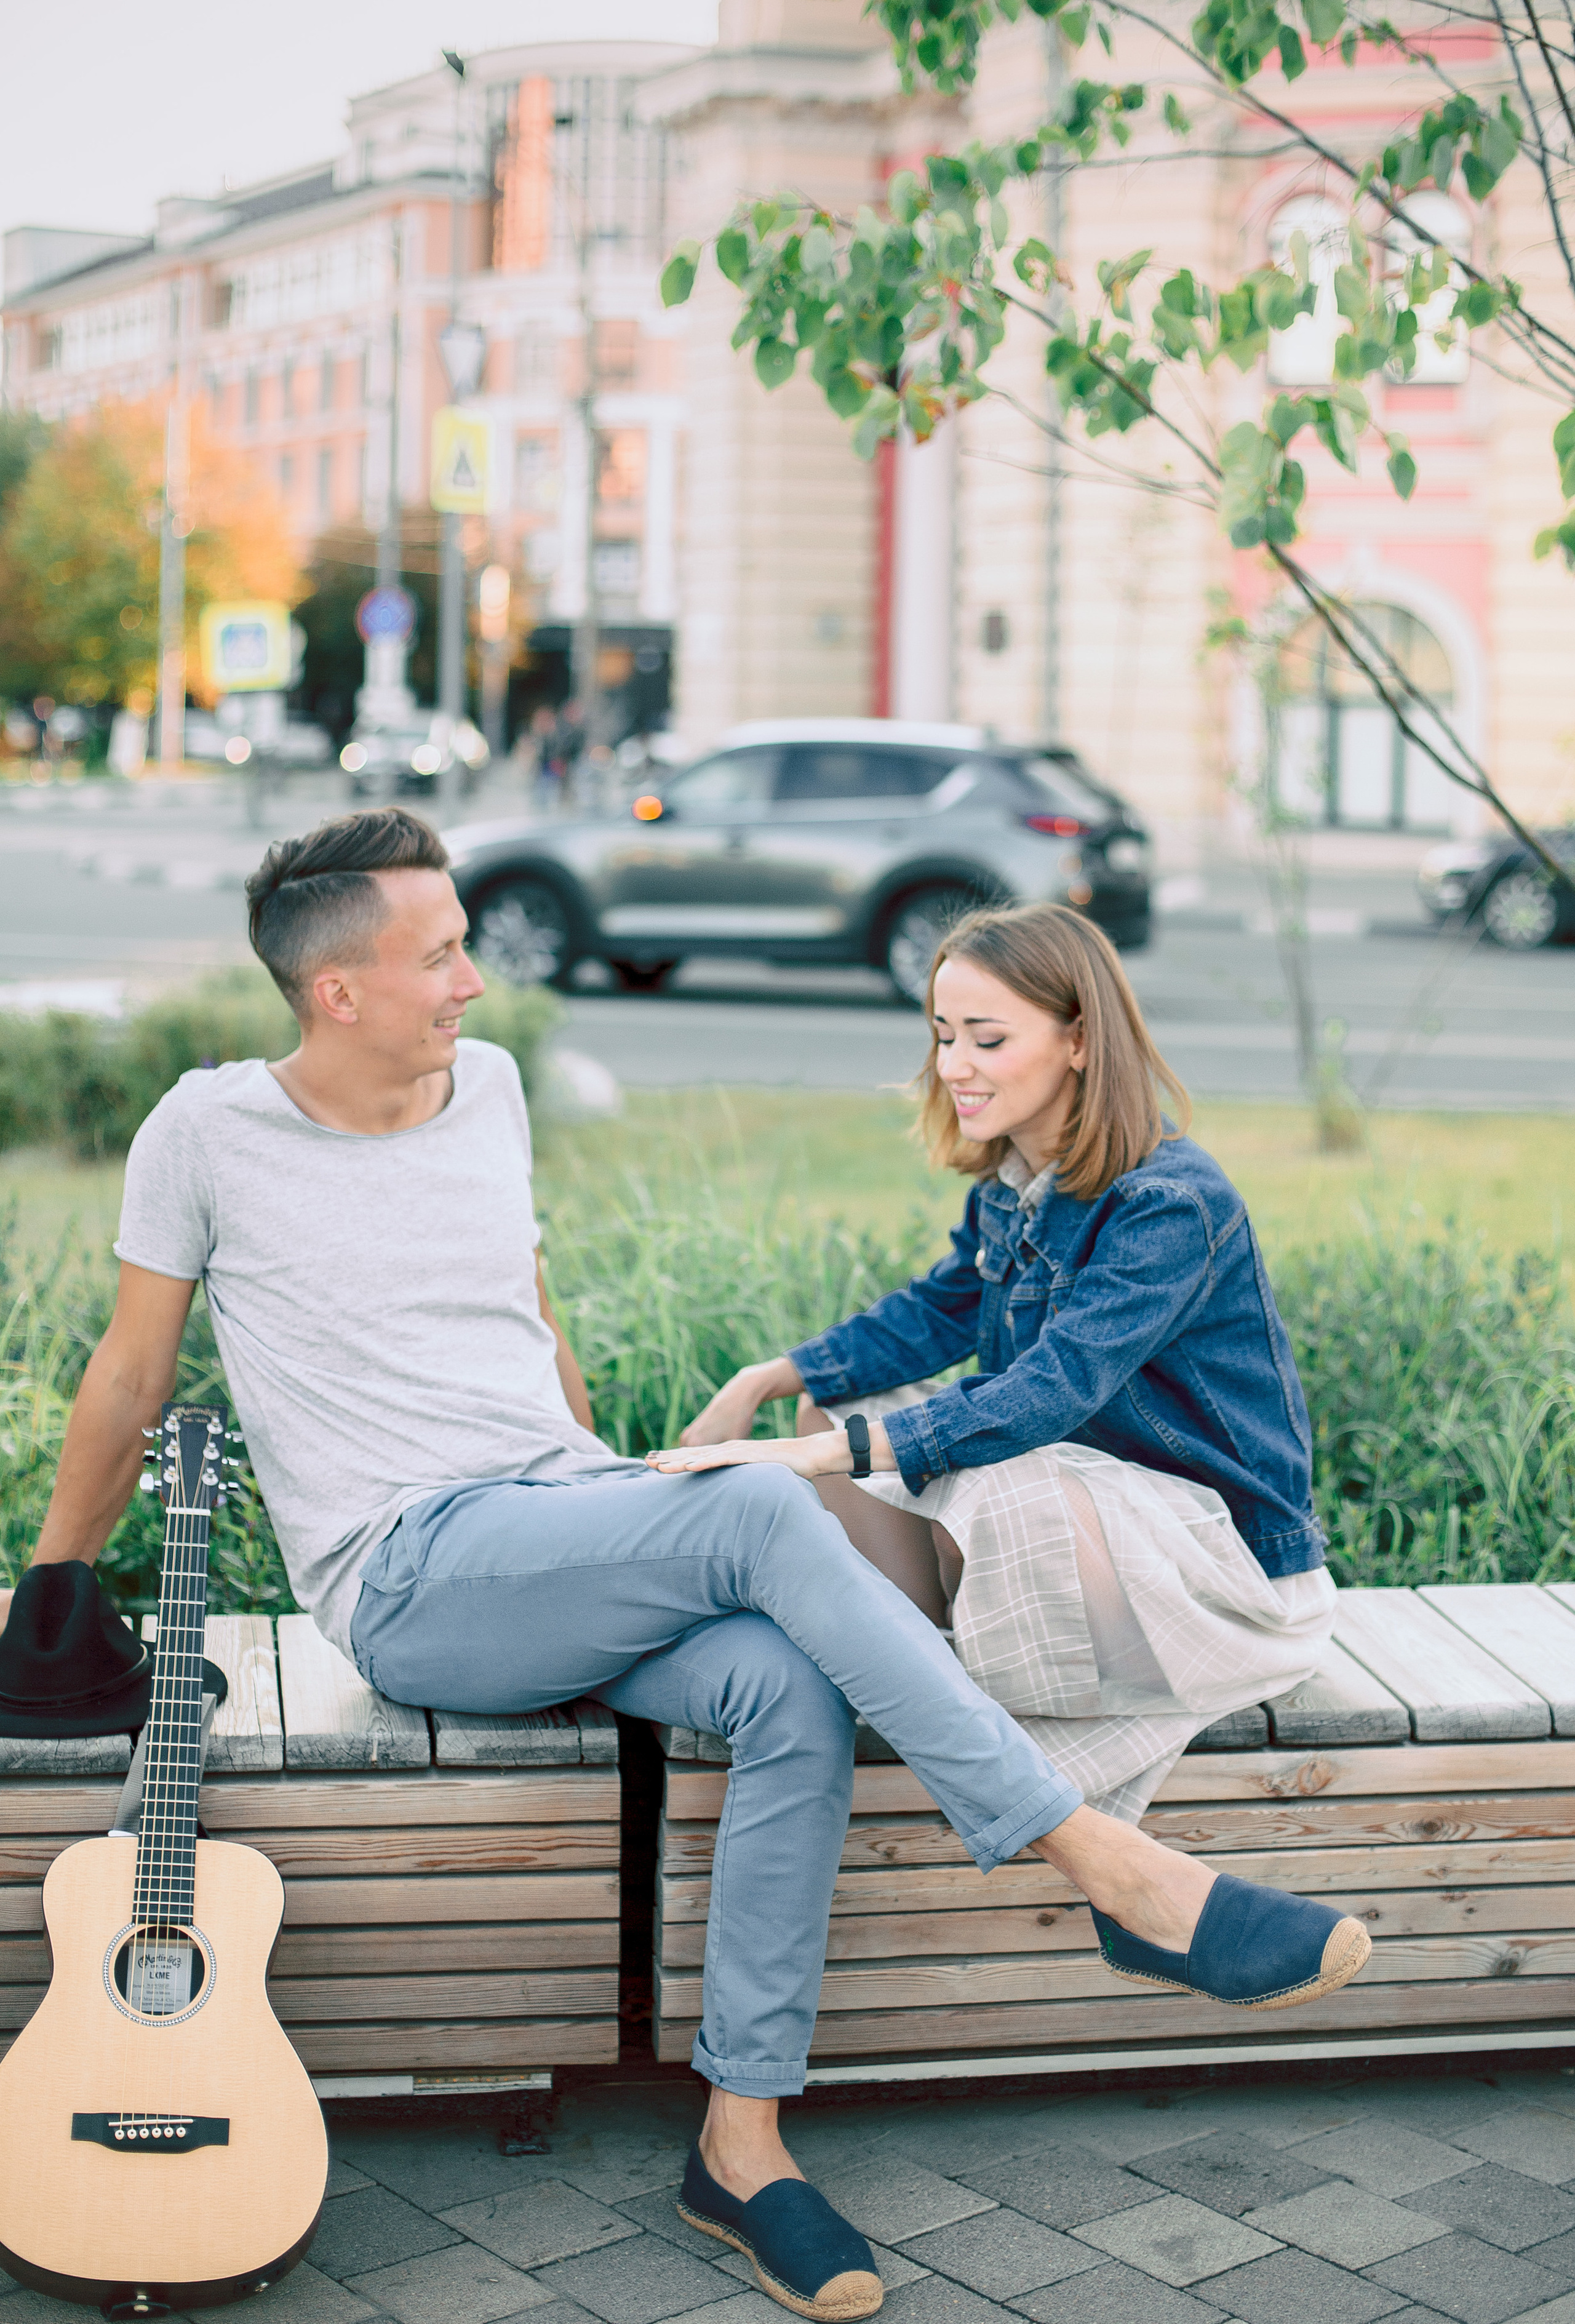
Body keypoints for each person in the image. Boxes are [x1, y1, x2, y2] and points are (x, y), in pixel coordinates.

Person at [26, 817, 1369, 2324]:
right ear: (337, 991)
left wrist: (607, 1499)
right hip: (407, 1572)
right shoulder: (206, 1134)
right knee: (758, 1510)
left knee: (786, 1679)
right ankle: (1102, 1865)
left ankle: (739, 2144)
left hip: (556, 1522)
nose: (479, 976)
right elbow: (131, 1377)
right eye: (443, 952)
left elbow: (527, 1327)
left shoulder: (493, 1089)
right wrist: (52, 1589)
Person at [671, 901, 1339, 1826]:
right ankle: (920, 1655)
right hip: (1099, 1527)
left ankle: (984, 1705)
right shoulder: (1017, 1187)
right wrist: (766, 1384)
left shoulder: (1171, 1205)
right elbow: (933, 1315)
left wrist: (821, 1460)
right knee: (840, 1402)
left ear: (1078, 1040)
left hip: (1224, 1574)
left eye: (986, 1038)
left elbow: (1048, 1392)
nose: (953, 1068)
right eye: (944, 1036)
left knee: (995, 1473)